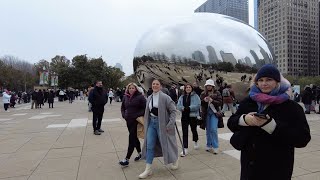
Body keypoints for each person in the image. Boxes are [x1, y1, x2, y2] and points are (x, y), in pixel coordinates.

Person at [227, 64, 311, 180]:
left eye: (269, 80)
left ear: (277, 82)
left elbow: (303, 138)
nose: (264, 83)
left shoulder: (292, 107)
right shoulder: (249, 101)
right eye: (260, 80)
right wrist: (245, 120)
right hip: (250, 168)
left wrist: (272, 125)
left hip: (277, 169)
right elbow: (231, 123)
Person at [139, 79, 179, 179]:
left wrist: (170, 124)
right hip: (151, 124)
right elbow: (147, 112)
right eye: (153, 84)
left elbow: (173, 111)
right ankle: (148, 169)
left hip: (162, 124)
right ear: (151, 85)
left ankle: (175, 159)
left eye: (157, 84)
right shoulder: (149, 97)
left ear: (160, 86)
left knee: (166, 144)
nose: (155, 85)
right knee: (149, 145)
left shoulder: (165, 97)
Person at [119, 83, 146, 167]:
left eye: (133, 88)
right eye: (129, 88)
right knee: (134, 137)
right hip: (128, 121)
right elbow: (123, 107)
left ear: (136, 89)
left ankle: (127, 159)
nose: (131, 89)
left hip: (136, 121)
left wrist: (137, 115)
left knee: (131, 138)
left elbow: (145, 108)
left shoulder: (140, 97)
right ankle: (140, 153)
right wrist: (124, 115)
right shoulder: (125, 97)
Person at [177, 83, 201, 157]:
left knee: (194, 130)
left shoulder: (195, 96)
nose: (188, 88)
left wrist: (189, 108)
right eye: (186, 87)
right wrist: (182, 108)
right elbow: (178, 105)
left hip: (192, 116)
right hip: (184, 116)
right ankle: (185, 148)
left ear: (192, 88)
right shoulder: (182, 96)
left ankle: (196, 141)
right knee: (184, 132)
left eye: (189, 87)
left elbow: (197, 105)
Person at [200, 79, 222, 154]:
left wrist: (212, 100)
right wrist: (204, 101)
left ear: (212, 86)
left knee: (213, 129)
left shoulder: (217, 93)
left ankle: (215, 146)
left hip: (214, 113)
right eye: (207, 85)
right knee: (208, 130)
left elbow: (220, 103)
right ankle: (209, 144)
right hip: (206, 113)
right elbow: (201, 103)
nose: (208, 86)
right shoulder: (203, 93)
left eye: (210, 85)